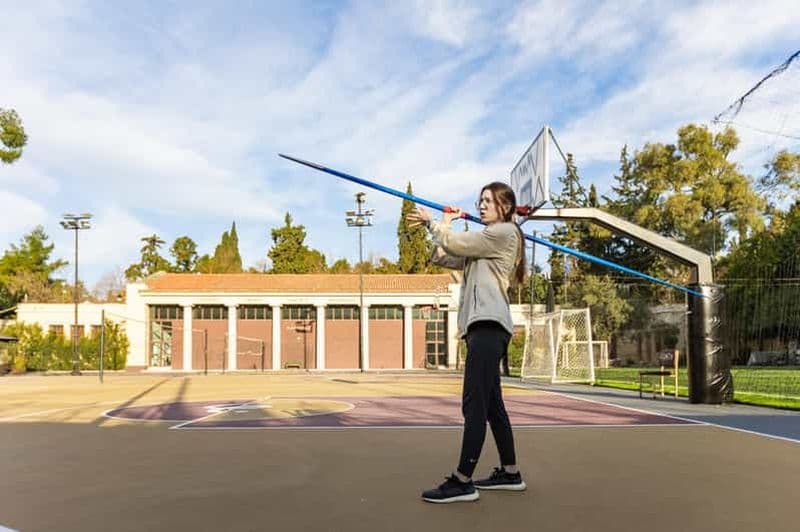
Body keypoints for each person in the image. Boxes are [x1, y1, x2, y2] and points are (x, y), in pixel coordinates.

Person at [406, 182, 527, 504]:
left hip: (488, 327)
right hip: (484, 329)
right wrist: (443, 224)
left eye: (488, 200)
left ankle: (462, 480)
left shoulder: (502, 233)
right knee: (493, 407)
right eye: (480, 201)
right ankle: (511, 472)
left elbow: (455, 242)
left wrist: (437, 222)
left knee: (474, 405)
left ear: (505, 206)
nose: (482, 205)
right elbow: (442, 255)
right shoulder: (484, 246)